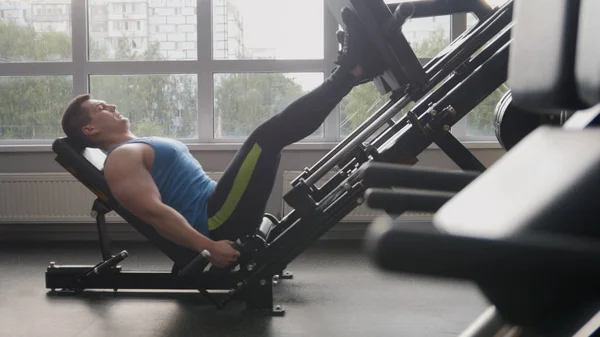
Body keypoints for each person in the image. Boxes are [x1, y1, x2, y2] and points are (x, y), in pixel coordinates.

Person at [60, 8, 386, 269]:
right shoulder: (120, 160)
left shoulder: (133, 148)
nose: (112, 106)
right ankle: (351, 72)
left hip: (217, 208)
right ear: (90, 130)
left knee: (268, 138)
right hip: (215, 222)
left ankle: (352, 73)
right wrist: (207, 246)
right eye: (102, 108)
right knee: (266, 138)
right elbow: (154, 214)